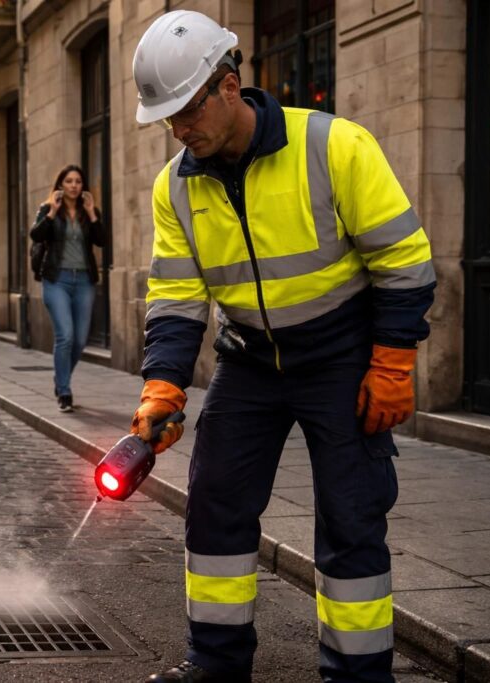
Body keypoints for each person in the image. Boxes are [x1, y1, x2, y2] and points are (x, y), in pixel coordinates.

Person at [130, 12, 436, 683]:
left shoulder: (334, 146)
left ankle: (357, 675)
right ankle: (214, 665)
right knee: (214, 502)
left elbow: (405, 262)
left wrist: (393, 359)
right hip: (249, 362)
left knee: (352, 519)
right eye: (167, 118)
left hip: (342, 356)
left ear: (229, 87)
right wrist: (163, 385)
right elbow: (178, 298)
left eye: (185, 111)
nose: (178, 131)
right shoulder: (175, 187)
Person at [30, 165, 105, 412]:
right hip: (56, 280)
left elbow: (102, 240)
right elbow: (36, 235)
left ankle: (60, 378)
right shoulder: (47, 209)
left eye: (78, 182)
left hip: (84, 281)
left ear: (82, 187)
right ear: (61, 185)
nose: (74, 185)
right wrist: (51, 211)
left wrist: (92, 214)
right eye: (69, 181)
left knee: (80, 340)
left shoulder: (88, 212)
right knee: (65, 336)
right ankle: (64, 391)